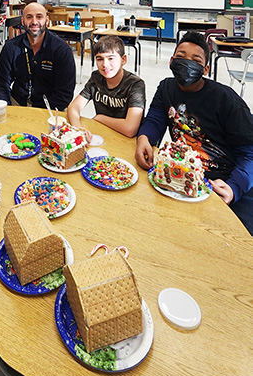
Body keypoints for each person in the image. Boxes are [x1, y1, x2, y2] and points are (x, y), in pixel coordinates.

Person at [135, 31, 253, 235]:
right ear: (171, 61)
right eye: (180, 57)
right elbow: (155, 119)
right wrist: (144, 138)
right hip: (181, 178)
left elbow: (250, 151)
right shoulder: (166, 88)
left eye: (195, 59)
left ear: (205, 68)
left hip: (224, 183)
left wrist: (234, 186)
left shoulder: (226, 100)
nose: (186, 62)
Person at [0, 1, 75, 109]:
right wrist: (4, 108)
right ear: (23, 21)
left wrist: (39, 115)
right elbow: (1, 84)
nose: (34, 21)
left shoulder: (61, 50)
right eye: (29, 17)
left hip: (50, 107)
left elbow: (64, 93)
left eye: (39, 17)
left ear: (47, 20)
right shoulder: (11, 47)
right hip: (17, 103)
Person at [67, 35, 145, 138]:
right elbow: (73, 106)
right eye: (100, 59)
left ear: (123, 60)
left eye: (111, 58)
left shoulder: (135, 85)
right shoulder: (96, 77)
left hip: (127, 140)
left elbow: (130, 129)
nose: (105, 64)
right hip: (103, 134)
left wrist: (100, 118)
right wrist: (78, 129)